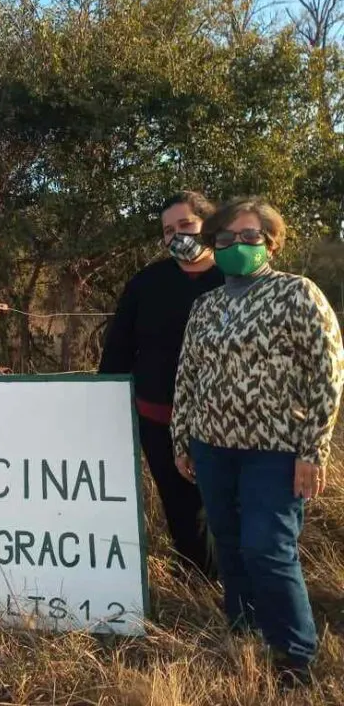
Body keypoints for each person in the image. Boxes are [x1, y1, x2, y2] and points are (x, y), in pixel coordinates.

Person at [171, 196, 344, 687]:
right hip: (212, 447)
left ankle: (294, 653)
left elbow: (327, 374)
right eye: (224, 239)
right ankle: (244, 630)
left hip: (276, 450)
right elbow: (188, 376)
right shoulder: (206, 306)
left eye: (249, 237)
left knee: (268, 546)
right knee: (228, 542)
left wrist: (313, 451)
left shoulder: (298, 294)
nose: (236, 245)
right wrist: (182, 439)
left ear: (270, 242)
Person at [99, 191, 224, 580]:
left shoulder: (236, 278)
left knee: (226, 504)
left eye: (185, 225)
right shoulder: (146, 283)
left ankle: (241, 585)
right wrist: (107, 403)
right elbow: (119, 347)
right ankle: (198, 581)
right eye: (168, 231)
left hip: (226, 422)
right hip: (158, 418)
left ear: (209, 224)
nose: (177, 237)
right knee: (181, 506)